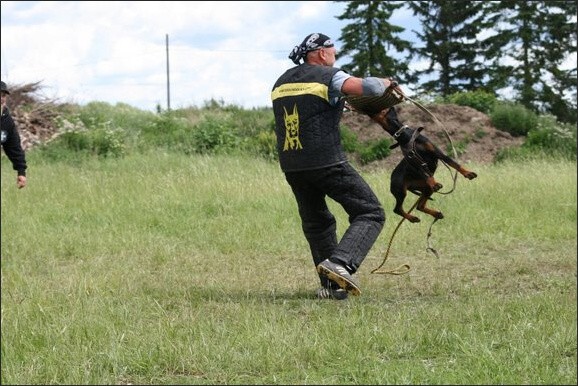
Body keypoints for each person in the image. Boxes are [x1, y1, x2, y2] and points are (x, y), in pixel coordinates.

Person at [271, 33, 402, 300]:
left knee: (317, 222)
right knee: (370, 212)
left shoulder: (281, 81)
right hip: (325, 160)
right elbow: (372, 89)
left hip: (293, 163)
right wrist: (388, 82)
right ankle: (341, 263)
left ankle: (332, 287)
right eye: (333, 51)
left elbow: (310, 110)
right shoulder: (329, 76)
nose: (335, 55)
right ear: (321, 53)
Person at [1, 81, 27, 189]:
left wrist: (21, 171)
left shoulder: (7, 121)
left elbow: (14, 147)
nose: (1, 98)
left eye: (3, 95)